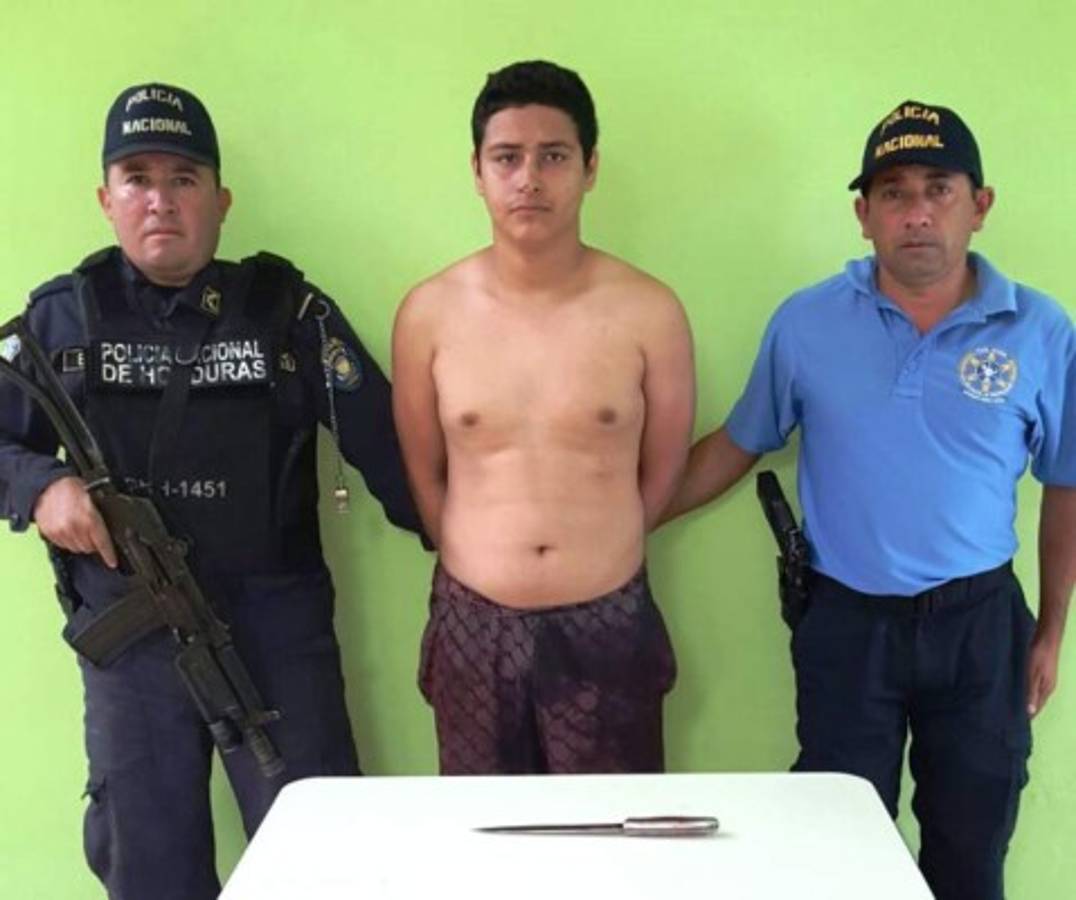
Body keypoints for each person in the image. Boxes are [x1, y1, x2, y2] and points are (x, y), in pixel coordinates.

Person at [0, 82, 423, 900]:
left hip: (276, 636)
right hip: (130, 644)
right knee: (149, 869)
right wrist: (41, 487)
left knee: (322, 864)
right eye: (137, 178)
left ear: (221, 200)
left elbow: (387, 448)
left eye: (184, 179)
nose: (160, 200)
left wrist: (469, 552)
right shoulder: (64, 319)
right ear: (106, 199)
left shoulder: (287, 311)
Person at [662, 100, 1076, 900]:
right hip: (847, 626)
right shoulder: (806, 323)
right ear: (863, 215)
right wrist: (620, 522)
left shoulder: (1040, 330)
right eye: (893, 193)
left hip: (980, 627)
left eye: (938, 189)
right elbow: (736, 445)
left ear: (980, 204)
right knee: (839, 858)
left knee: (971, 852)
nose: (917, 213)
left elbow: (1067, 481)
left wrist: (1053, 630)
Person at [392, 60, 695, 775]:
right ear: (477, 170)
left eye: (553, 156)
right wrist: (481, 558)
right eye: (507, 157)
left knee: (613, 832)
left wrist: (602, 545)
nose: (529, 178)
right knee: (483, 834)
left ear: (590, 168)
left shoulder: (650, 311)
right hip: (473, 619)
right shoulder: (428, 314)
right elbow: (424, 473)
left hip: (607, 618)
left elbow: (664, 468)